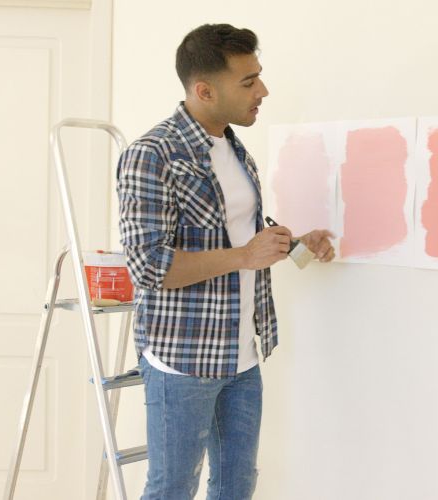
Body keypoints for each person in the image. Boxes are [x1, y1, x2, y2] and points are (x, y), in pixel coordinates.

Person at [117, 23, 335, 500]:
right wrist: (244, 255)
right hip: (183, 358)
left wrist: (298, 244)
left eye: (259, 76)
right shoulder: (151, 156)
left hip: (241, 353)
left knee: (236, 486)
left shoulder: (236, 150)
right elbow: (149, 267)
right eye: (248, 81)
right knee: (172, 488)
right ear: (204, 90)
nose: (263, 90)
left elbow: (243, 231)